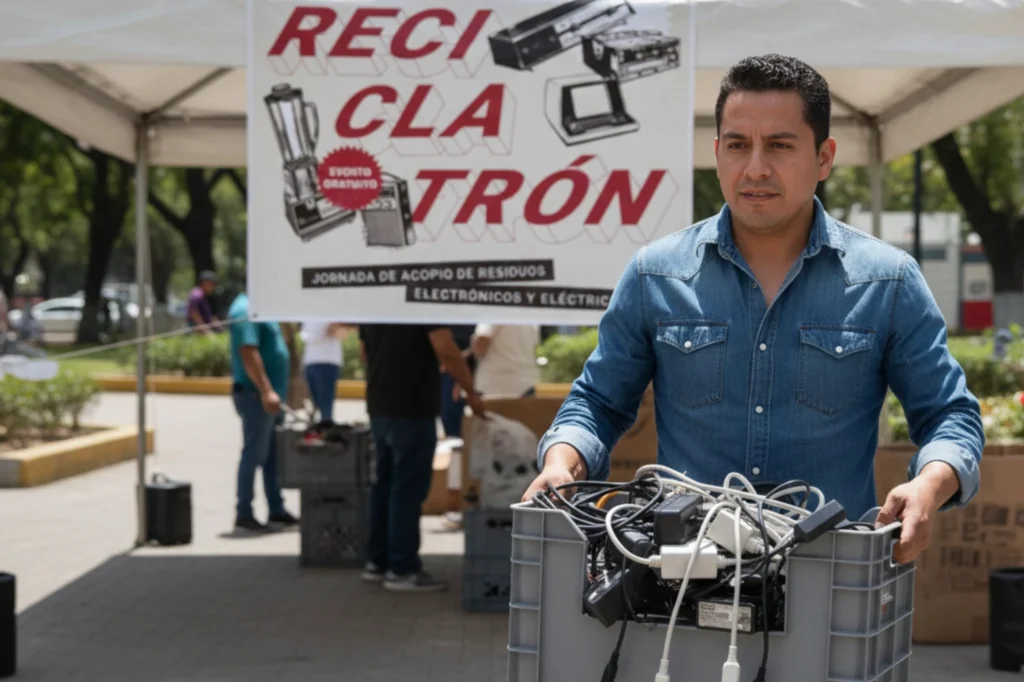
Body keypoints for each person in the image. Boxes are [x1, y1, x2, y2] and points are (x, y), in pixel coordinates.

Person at [522, 54, 984, 567]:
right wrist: (562, 462)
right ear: (717, 152)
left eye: (780, 146)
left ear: (824, 157)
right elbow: (598, 402)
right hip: (679, 575)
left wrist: (929, 483)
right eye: (738, 145)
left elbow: (949, 416)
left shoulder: (888, 281)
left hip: (832, 578)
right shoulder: (655, 274)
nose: (756, 167)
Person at [358, 324, 486, 592]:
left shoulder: (372, 308)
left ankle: (378, 561)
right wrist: (471, 392)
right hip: (412, 408)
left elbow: (364, 353)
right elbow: (446, 350)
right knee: (407, 490)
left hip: (380, 405)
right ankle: (402, 569)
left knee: (384, 486)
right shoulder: (422, 306)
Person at [227, 291, 299, 533]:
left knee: (273, 457)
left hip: (271, 398)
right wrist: (266, 391)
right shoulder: (246, 309)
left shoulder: (262, 306)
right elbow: (247, 351)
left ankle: (276, 509)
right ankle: (244, 514)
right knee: (254, 454)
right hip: (256, 396)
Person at [470, 324, 541, 398]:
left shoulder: (494, 316)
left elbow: (481, 341)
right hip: (527, 385)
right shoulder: (531, 318)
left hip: (496, 387)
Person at [301, 321, 349, 425]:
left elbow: (343, 333)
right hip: (310, 361)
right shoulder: (308, 315)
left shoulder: (334, 316)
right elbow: (305, 336)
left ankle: (326, 425)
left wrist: (335, 329)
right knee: (314, 399)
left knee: (326, 400)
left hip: (328, 361)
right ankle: (318, 425)